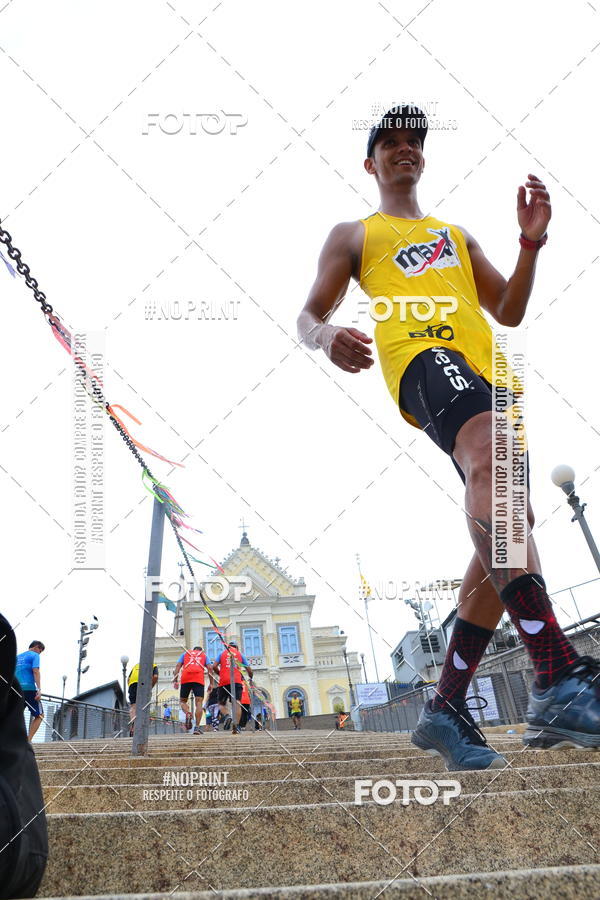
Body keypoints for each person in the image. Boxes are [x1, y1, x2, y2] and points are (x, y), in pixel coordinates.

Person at [297, 104, 600, 770]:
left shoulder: (457, 236)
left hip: (488, 374)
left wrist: (529, 245)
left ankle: (444, 707)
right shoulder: (355, 233)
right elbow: (308, 313)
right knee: (497, 481)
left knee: (511, 528)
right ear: (371, 162)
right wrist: (326, 338)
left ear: (423, 159)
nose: (406, 149)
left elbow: (509, 309)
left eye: (416, 142)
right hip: (419, 357)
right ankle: (556, 672)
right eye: (392, 142)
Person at [212, 641, 253, 736]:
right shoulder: (239, 655)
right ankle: (237, 726)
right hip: (237, 681)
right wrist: (251, 677)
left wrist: (220, 674)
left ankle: (227, 716)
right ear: (236, 648)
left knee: (221, 703)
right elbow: (249, 670)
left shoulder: (222, 654)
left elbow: (214, 666)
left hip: (224, 681)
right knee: (237, 703)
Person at [173, 646, 213, 735]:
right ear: (200, 650)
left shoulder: (185, 654)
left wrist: (175, 680)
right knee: (199, 702)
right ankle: (197, 728)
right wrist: (211, 683)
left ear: (193, 650)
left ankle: (187, 713)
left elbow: (178, 666)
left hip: (186, 678)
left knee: (183, 701)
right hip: (198, 679)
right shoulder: (204, 655)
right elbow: (210, 668)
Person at [15, 640, 45, 741]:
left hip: (16, 690)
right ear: (36, 647)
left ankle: (13, 739)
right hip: (29, 689)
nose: (39, 653)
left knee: (16, 715)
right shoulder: (35, 655)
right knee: (40, 715)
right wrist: (39, 689)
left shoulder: (17, 657)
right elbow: (35, 671)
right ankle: (28, 740)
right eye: (40, 651)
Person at [127, 661, 158, 736]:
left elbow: (128, 679)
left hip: (132, 684)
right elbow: (155, 676)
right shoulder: (153, 665)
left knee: (133, 706)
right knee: (144, 706)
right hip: (143, 683)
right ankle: (140, 727)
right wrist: (150, 686)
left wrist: (131, 687)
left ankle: (133, 725)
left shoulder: (136, 665)